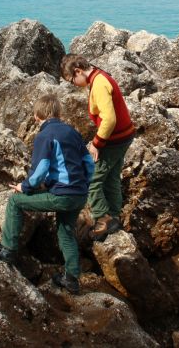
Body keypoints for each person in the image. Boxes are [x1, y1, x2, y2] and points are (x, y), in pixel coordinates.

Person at [0, 93, 94, 294]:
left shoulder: (45, 135)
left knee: (16, 201)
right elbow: (89, 164)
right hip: (79, 194)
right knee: (66, 231)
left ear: (36, 116)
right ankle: (72, 279)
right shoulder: (72, 132)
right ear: (59, 113)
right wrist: (82, 185)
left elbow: (40, 169)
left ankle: (7, 249)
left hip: (63, 195)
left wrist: (24, 187)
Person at [60, 53, 136, 241]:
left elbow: (109, 119)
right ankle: (114, 216)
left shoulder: (100, 84)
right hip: (124, 136)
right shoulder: (100, 76)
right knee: (111, 178)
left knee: (91, 179)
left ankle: (104, 218)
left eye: (71, 81)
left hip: (114, 139)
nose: (73, 85)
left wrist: (96, 143)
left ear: (78, 71)